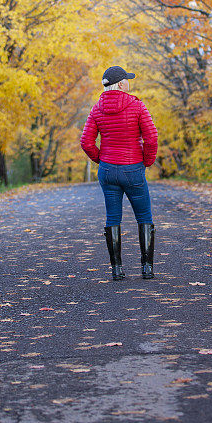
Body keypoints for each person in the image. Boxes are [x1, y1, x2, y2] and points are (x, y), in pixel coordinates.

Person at [80, 65, 158, 281]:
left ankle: (116, 270)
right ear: (122, 84)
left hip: (108, 170)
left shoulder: (96, 109)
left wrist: (101, 159)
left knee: (113, 217)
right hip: (133, 168)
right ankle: (147, 268)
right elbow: (151, 138)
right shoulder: (137, 106)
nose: (129, 83)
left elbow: (86, 142)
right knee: (144, 216)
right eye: (127, 80)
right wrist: (147, 161)